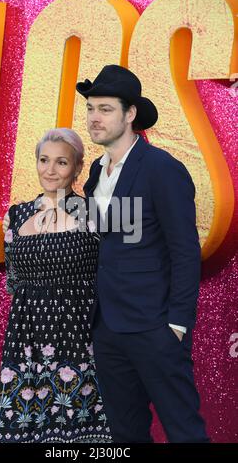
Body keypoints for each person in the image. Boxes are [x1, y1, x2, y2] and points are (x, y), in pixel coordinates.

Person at [75, 64, 209, 443]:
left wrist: (177, 324)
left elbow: (185, 251)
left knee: (184, 431)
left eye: (105, 109)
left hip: (155, 328)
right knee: (125, 433)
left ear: (130, 113)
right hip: (108, 328)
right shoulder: (96, 175)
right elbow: (109, 246)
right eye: (90, 109)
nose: (95, 118)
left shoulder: (162, 169)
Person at [0, 128, 112, 443]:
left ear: (77, 168)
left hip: (80, 336)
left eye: (61, 162)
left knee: (82, 428)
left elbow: (113, 274)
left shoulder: (93, 213)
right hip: (27, 336)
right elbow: (13, 279)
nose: (50, 170)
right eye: (44, 160)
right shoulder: (16, 216)